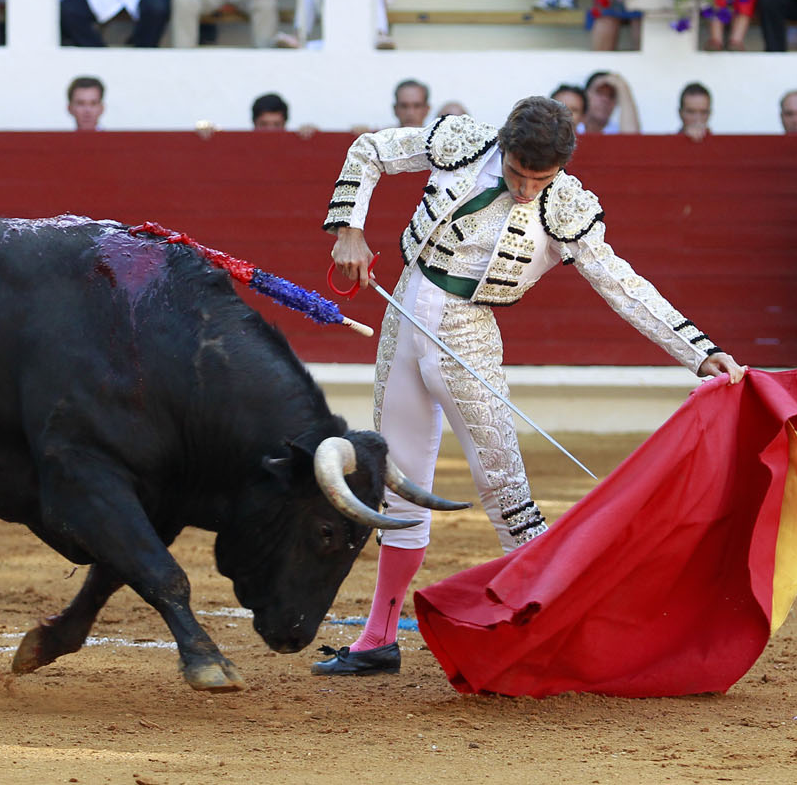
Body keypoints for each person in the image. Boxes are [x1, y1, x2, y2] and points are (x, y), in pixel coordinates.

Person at [312, 96, 745, 676]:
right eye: (518, 174)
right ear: (503, 148)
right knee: (401, 485)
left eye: (540, 180)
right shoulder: (463, 142)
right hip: (403, 318)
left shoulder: (564, 206)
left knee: (507, 495)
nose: (525, 190)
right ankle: (377, 638)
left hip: (467, 336)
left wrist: (699, 351)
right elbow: (369, 150)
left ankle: (552, 638)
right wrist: (349, 229)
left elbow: (622, 285)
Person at [580, 70, 640, 134]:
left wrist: (622, 87)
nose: (605, 99)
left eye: (611, 95)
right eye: (600, 92)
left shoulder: (617, 131)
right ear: (585, 95)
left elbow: (632, 138)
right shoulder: (573, 127)